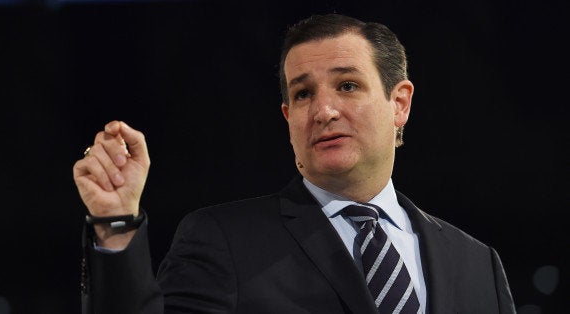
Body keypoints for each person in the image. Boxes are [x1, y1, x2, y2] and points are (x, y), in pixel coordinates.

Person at [73, 13, 516, 314]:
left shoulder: (478, 265)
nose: (323, 111)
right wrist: (116, 225)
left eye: (346, 85)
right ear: (288, 118)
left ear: (398, 104)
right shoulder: (224, 239)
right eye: (303, 94)